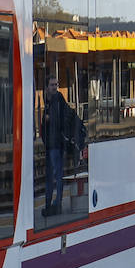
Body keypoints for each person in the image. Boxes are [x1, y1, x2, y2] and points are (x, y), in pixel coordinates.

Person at [41, 76, 86, 217]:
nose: (55, 87)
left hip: (56, 145)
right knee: (51, 176)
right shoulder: (48, 101)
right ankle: (49, 204)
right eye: (52, 84)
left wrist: (49, 120)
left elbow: (59, 121)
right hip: (50, 145)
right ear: (47, 87)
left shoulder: (58, 100)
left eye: (56, 84)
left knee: (56, 175)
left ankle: (56, 204)